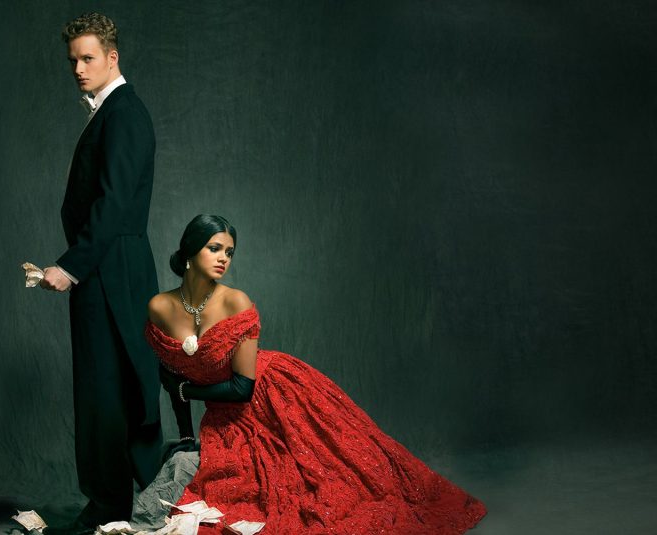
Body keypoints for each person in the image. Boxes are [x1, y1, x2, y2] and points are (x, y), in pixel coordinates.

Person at [146, 215, 487, 534]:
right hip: (224, 413)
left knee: (342, 476)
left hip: (277, 393)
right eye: (215, 248)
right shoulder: (160, 306)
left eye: (230, 252)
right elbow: (171, 375)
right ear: (190, 250)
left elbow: (241, 388)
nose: (224, 258)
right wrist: (187, 435)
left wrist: (187, 391)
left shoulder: (236, 301)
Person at [38, 12, 162, 534]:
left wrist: (71, 267)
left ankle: (125, 502)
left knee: (114, 386)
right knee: (109, 385)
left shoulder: (124, 111)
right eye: (73, 60)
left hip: (112, 267)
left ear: (113, 57)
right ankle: (117, 501)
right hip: (107, 265)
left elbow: (113, 204)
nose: (78, 69)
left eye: (88, 58)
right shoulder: (112, 111)